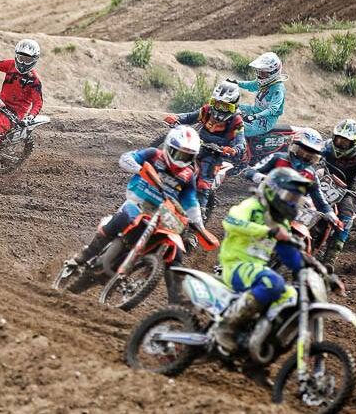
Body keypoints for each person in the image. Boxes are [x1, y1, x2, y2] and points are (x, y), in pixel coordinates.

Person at [66, 126, 205, 269]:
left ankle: (167, 279)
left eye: (186, 156)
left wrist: (199, 225)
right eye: (178, 154)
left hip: (163, 213)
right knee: (123, 217)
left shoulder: (188, 176)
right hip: (139, 203)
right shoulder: (153, 154)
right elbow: (126, 158)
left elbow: (191, 201)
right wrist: (140, 169)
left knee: (175, 249)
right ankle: (87, 254)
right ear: (169, 147)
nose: (181, 160)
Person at [214, 167, 312, 353]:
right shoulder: (252, 205)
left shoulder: (281, 222)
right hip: (235, 264)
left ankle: (258, 342)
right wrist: (268, 231)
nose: (292, 203)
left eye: (295, 199)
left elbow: (288, 253)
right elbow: (231, 222)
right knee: (272, 281)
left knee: (292, 296)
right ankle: (226, 327)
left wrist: (310, 269)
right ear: (272, 190)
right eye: (288, 197)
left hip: (256, 268)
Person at [163, 81, 245, 216]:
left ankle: (199, 213)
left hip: (215, 153)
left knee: (204, 180)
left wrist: (233, 149)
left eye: (225, 106)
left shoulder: (237, 121)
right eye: (217, 103)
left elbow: (241, 142)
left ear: (234, 106)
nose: (219, 108)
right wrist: (177, 118)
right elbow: (190, 116)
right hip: (196, 144)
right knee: (171, 159)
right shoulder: (207, 110)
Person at [244, 128, 340, 227]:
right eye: (300, 152)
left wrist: (330, 213)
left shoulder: (311, 174)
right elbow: (249, 171)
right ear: (292, 146)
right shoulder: (277, 158)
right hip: (263, 203)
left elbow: (320, 201)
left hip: (288, 215)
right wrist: (263, 178)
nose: (303, 158)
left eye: (309, 157)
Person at [320, 119, 356, 268]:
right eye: (338, 139)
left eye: (344, 141)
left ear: (353, 142)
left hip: (344, 192)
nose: (340, 143)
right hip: (319, 183)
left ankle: (330, 258)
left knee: (347, 217)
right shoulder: (325, 148)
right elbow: (310, 155)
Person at [0, 39, 43, 149]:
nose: (23, 62)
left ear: (34, 60)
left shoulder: (34, 80)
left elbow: (38, 103)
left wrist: (30, 117)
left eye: (27, 60)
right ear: (16, 56)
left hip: (15, 112)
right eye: (21, 58)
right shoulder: (11, 64)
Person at [232, 52, 285, 137]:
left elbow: (272, 109)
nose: (259, 75)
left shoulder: (278, 89)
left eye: (263, 73)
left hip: (266, 120)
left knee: (241, 128)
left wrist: (255, 116)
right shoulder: (264, 82)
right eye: (259, 72)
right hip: (254, 110)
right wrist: (236, 82)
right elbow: (251, 85)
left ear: (273, 72)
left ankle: (239, 144)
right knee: (230, 108)